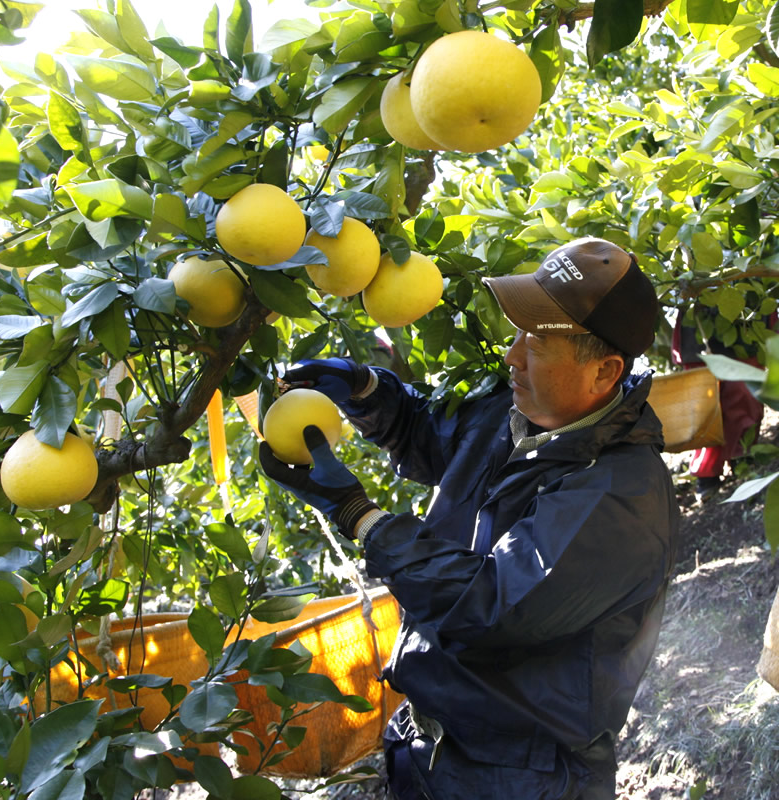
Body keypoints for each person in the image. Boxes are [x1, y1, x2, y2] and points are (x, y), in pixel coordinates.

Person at [259, 237, 680, 800]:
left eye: (537, 342)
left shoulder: (622, 495)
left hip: (522, 779)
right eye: (519, 333)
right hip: (427, 748)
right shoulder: (515, 413)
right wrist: (366, 393)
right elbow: (430, 434)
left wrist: (361, 516)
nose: (513, 355)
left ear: (603, 373)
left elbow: (489, 604)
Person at [671, 306, 767, 501]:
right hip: (699, 317)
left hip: (745, 313)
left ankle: (743, 457)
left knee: (744, 391)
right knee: (705, 402)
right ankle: (708, 471)